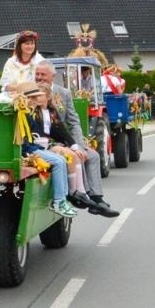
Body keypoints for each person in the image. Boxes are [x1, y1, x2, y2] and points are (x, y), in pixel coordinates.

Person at [35, 62, 120, 217]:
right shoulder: (32, 92)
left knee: (93, 155)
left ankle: (97, 199)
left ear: (53, 76)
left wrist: (79, 145)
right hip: (47, 141)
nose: (39, 78)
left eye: (43, 75)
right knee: (75, 157)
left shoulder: (64, 93)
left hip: (64, 139)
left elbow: (72, 122)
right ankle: (82, 196)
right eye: (37, 74)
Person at [19, 85, 78, 219]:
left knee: (61, 160)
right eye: (32, 98)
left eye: (36, 97)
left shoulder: (29, 112)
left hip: (33, 147)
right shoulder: (23, 113)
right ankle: (58, 202)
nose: (35, 100)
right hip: (28, 150)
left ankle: (62, 200)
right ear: (25, 99)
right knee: (58, 161)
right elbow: (25, 142)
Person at [0, 29, 46, 99]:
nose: (30, 46)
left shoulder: (40, 61)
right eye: (27, 44)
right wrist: (15, 88)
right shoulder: (11, 62)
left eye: (32, 44)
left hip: (34, 97)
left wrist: (25, 90)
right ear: (20, 45)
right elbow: (4, 84)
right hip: (11, 96)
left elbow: (44, 83)